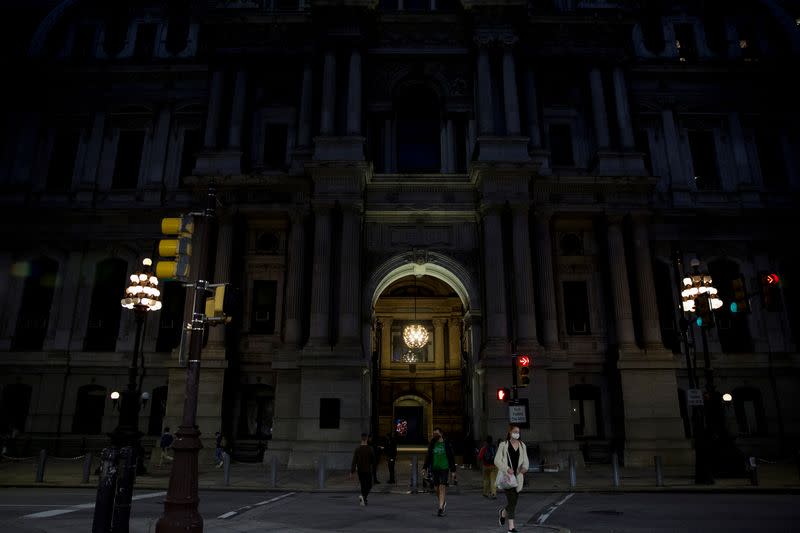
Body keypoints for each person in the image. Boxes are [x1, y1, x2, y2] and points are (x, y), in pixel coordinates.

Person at [494, 425, 530, 533]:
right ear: (510, 433)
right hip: (507, 477)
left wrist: (525, 468)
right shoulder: (503, 445)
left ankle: (503, 513)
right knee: (512, 501)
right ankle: (511, 528)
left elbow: (526, 460)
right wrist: (506, 469)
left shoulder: (522, 445)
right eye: (515, 431)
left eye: (518, 432)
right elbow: (496, 460)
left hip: (518, 478)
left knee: (514, 502)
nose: (517, 434)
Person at [423, 427, 457, 517]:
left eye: (436, 434)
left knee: (442, 487)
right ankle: (443, 502)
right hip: (435, 469)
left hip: (444, 468)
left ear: (441, 434)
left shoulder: (446, 443)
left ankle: (440, 508)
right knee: (436, 489)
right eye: (434, 434)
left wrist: (453, 470)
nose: (435, 435)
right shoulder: (432, 443)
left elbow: (451, 457)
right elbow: (428, 455)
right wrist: (424, 467)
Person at [350, 433, 375, 506]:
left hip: (360, 470)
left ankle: (364, 499)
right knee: (369, 485)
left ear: (361, 438)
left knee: (363, 485)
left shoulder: (357, 449)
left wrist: (352, 471)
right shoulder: (370, 449)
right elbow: (373, 460)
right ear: (367, 439)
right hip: (367, 469)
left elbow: (354, 461)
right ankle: (364, 497)